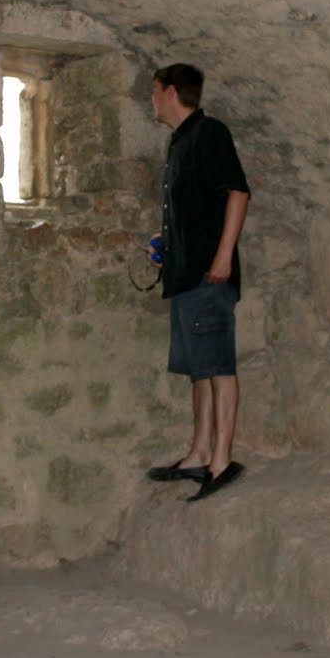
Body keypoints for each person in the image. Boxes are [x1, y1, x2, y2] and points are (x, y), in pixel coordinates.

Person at [143, 63, 251, 502]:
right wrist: (166, 244)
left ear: (171, 92)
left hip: (209, 274)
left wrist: (223, 256)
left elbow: (238, 192)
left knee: (218, 367)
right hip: (187, 275)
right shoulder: (181, 141)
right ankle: (199, 453)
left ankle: (221, 461)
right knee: (200, 370)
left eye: (155, 91)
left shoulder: (209, 134)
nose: (152, 100)